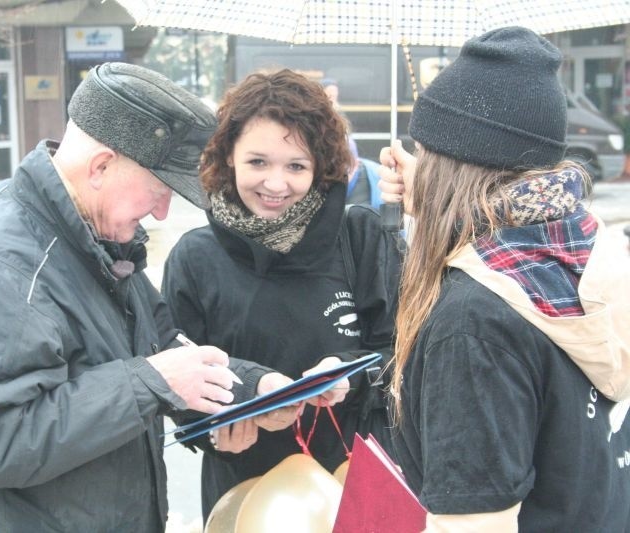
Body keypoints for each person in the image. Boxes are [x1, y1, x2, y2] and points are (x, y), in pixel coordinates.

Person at [0, 62, 273, 532]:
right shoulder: (0, 266)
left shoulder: (94, 240)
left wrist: (256, 389)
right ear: (101, 166)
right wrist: (148, 381)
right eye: (159, 189)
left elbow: (161, 345)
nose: (163, 213)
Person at [378, 27, 630, 531]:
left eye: (423, 150)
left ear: (446, 165)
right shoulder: (587, 245)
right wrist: (427, 211)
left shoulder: (472, 322)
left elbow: (473, 520)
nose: (415, 162)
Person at [162, 69, 402, 519]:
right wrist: (212, 426)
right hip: (245, 495)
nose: (276, 184)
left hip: (353, 487)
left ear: (321, 167)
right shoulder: (195, 258)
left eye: (296, 166)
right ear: (228, 155)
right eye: (258, 162)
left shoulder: (360, 238)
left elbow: (403, 352)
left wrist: (349, 376)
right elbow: (173, 370)